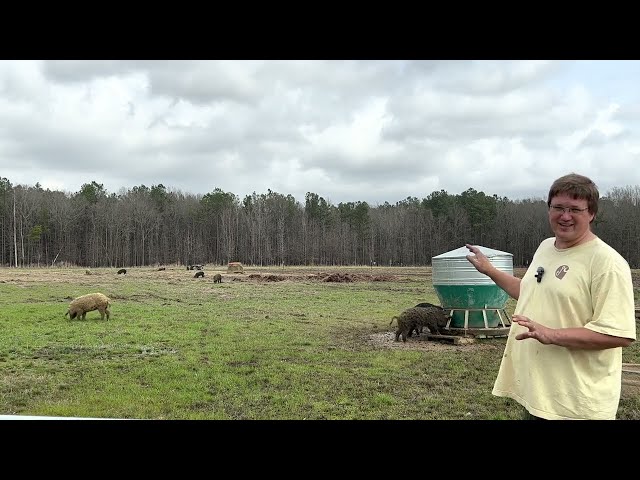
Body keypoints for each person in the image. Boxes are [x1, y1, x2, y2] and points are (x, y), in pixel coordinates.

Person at [465, 173, 636, 420]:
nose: (565, 216)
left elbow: (617, 333)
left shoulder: (606, 263)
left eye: (575, 209)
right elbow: (529, 293)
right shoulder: (546, 247)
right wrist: (490, 271)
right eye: (558, 207)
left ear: (591, 213)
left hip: (576, 406)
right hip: (539, 395)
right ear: (549, 210)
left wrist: (552, 335)